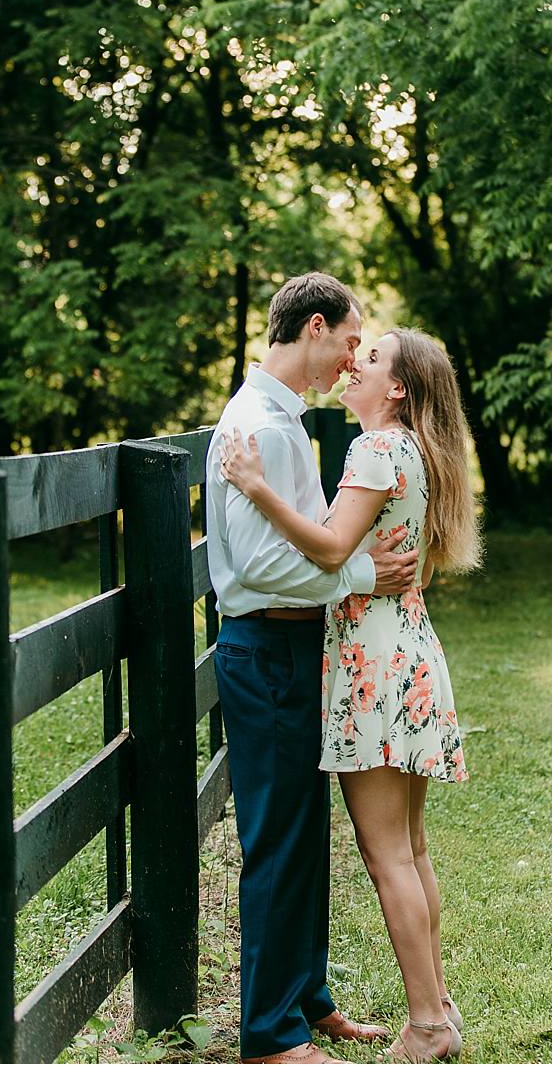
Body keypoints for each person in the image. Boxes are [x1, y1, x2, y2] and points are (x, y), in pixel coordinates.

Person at [219, 325, 479, 1064]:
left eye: (369, 359)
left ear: (395, 387)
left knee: (386, 855)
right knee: (412, 850)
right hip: (408, 653)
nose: (352, 365)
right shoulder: (414, 448)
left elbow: (332, 549)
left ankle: (427, 1024)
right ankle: (440, 1008)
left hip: (373, 666)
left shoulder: (374, 448)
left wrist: (256, 486)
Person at [202, 272, 422, 1065]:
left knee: (304, 835)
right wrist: (366, 574)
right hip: (264, 650)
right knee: (277, 838)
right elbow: (263, 568)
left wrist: (351, 563)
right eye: (351, 342)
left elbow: (307, 539)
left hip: (297, 649)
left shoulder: (284, 421)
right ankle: (268, 1036)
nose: (353, 358)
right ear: (316, 328)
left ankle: (306, 999)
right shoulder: (255, 425)